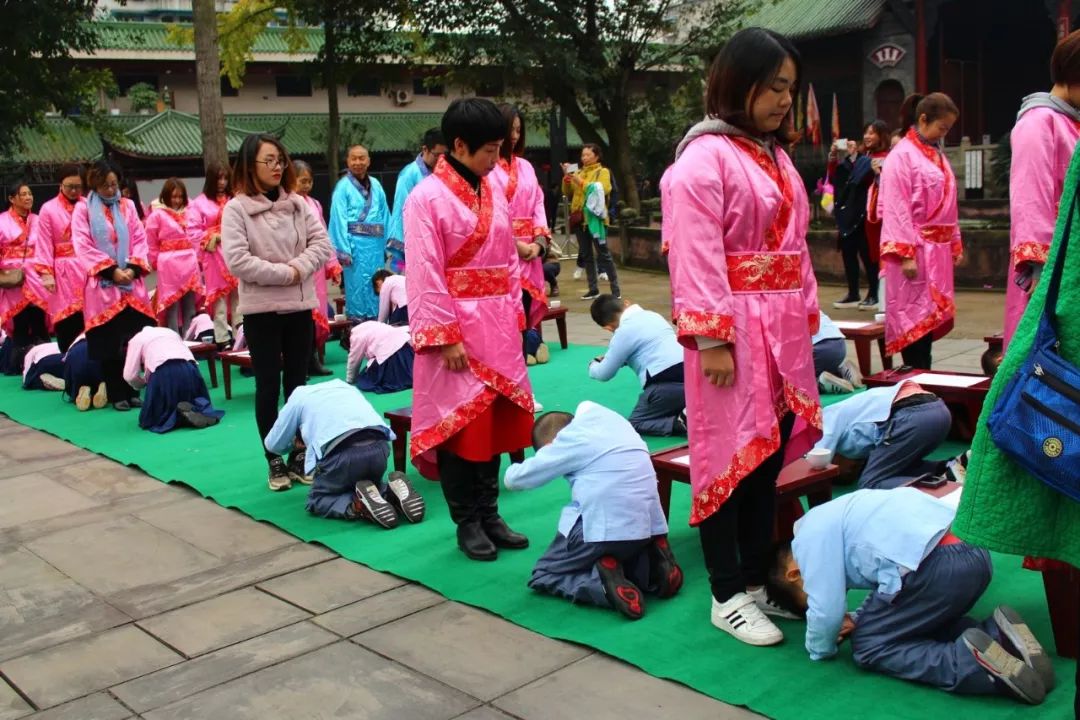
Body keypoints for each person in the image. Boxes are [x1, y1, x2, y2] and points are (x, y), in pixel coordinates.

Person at [661, 28, 822, 647]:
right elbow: (696, 257)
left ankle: (756, 583)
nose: (786, 99)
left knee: (766, 461)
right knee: (724, 457)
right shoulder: (701, 161)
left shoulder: (775, 157)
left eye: (791, 87)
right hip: (731, 331)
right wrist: (709, 340)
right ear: (739, 83)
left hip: (781, 329)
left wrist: (807, 317)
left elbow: (796, 249)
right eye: (775, 86)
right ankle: (725, 593)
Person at [768, 487, 1054, 705]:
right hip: (974, 554)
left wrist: (821, 647)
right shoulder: (842, 513)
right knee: (915, 620)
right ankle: (997, 636)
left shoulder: (807, 542)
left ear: (795, 575)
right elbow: (890, 589)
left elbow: (826, 611)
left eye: (808, 599)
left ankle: (973, 667)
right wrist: (859, 616)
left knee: (869, 644)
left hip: (937, 568)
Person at [405, 98, 533, 562]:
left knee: (494, 425)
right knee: (462, 427)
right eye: (489, 150)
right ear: (458, 145)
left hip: (497, 322)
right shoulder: (425, 198)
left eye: (501, 149)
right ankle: (467, 522)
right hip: (458, 330)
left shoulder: (492, 187)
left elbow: (507, 256)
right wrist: (445, 335)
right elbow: (423, 270)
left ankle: (490, 512)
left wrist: (516, 315)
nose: (496, 160)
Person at [221, 133, 333, 491]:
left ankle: (301, 454)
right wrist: (287, 273)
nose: (276, 167)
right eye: (268, 161)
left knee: (298, 385)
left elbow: (322, 244)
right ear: (249, 166)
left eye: (280, 160)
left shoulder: (298, 204)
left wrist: (298, 269)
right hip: (261, 310)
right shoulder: (237, 209)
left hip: (300, 307)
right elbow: (238, 260)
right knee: (268, 384)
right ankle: (274, 459)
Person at [504, 403, 681, 619]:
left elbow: (514, 480)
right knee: (620, 549)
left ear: (551, 445)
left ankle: (602, 588)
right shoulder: (615, 422)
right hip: (648, 528)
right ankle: (652, 570)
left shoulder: (569, 439)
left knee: (544, 573)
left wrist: (515, 464)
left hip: (606, 530)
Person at [1004, 30, 1080, 349]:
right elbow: (1029, 197)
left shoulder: (1071, 122)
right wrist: (1038, 267)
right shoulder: (1039, 122)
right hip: (1051, 267)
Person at [264, 379, 425, 526]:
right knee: (369, 485)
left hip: (341, 455)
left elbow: (272, 444)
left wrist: (294, 444)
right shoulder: (345, 386)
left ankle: (357, 505)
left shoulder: (298, 397)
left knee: (317, 499)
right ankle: (390, 492)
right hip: (379, 448)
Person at [880, 93, 962, 370]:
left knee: (927, 322)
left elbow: (950, 201)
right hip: (915, 249)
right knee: (913, 319)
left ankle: (924, 377)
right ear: (923, 119)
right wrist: (904, 253)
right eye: (942, 127)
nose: (944, 134)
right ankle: (916, 378)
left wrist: (954, 241)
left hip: (936, 250)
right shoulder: (901, 155)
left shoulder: (936, 154)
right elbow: (896, 207)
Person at [70, 160, 156, 410]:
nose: (110, 190)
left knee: (134, 339)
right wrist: (111, 271)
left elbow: (140, 238)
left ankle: (133, 390)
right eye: (105, 185)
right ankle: (117, 393)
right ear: (94, 185)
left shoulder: (128, 206)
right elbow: (82, 245)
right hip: (103, 285)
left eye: (113, 184)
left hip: (131, 283)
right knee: (110, 343)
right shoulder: (83, 209)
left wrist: (132, 267)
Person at [813, 381, 961, 489]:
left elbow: (816, 460)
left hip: (911, 416)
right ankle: (952, 465)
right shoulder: (859, 421)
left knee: (870, 484)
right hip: (939, 410)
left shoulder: (827, 417)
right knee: (897, 469)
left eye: (844, 471)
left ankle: (941, 488)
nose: (853, 468)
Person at [490, 104, 551, 360]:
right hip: (503, 252)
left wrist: (538, 244)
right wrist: (515, 245)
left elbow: (538, 202)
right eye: (509, 130)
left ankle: (527, 349)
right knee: (504, 310)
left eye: (518, 130)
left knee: (525, 307)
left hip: (530, 252)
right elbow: (490, 210)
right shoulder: (488, 167)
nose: (514, 136)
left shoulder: (526, 166)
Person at [587, 294, 686, 436]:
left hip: (664, 386)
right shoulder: (653, 315)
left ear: (608, 328)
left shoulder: (622, 332)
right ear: (626, 303)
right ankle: (688, 410)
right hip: (692, 381)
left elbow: (604, 373)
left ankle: (681, 423)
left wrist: (593, 364)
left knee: (636, 422)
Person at [829, 121, 889, 310]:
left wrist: (877, 171)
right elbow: (844, 178)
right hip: (851, 212)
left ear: (882, 136)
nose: (867, 136)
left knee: (868, 253)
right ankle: (853, 292)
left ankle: (874, 293)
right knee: (848, 251)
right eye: (866, 132)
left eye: (872, 133)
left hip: (870, 213)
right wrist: (838, 157)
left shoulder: (887, 157)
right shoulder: (865, 157)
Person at [123, 326, 223, 432]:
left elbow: (129, 375)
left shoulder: (136, 339)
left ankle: (179, 417)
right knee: (193, 399)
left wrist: (142, 384)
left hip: (163, 372)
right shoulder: (170, 332)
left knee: (149, 419)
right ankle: (197, 410)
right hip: (190, 368)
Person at [329, 145, 390, 320]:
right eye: (354, 158)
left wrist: (388, 244)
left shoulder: (376, 184)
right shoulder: (342, 187)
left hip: (376, 247)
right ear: (347, 161)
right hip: (355, 247)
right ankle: (358, 328)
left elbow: (385, 214)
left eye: (362, 158)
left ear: (368, 160)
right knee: (357, 288)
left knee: (377, 284)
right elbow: (338, 219)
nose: (358, 162)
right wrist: (343, 249)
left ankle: (379, 322)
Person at [29, 164, 86, 352]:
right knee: (66, 320)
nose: (74, 191)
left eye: (78, 186)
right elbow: (44, 243)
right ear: (60, 184)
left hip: (87, 268)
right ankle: (68, 365)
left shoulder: (88, 205)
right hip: (63, 273)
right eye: (69, 186)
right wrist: (46, 274)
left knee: (90, 319)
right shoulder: (48, 209)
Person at [294, 159, 341, 376]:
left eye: (309, 181)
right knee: (299, 317)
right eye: (302, 181)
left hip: (316, 269)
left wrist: (332, 264)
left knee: (315, 315)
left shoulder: (315, 204)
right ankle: (299, 362)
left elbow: (324, 236)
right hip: (298, 266)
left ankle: (312, 358)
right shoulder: (288, 204)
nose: (306, 186)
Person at [188, 162, 240, 348]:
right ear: (211, 179)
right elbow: (193, 232)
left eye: (226, 178)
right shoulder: (198, 203)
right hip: (213, 255)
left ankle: (240, 335)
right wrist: (215, 236)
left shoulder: (235, 200)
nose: (222, 182)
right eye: (219, 178)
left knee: (238, 297)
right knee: (218, 299)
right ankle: (222, 338)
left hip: (234, 251)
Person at [0, 181, 50, 375]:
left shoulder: (38, 220)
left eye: (30, 193)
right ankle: (17, 364)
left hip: (37, 273)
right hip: (15, 276)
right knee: (20, 321)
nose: (28, 197)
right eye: (23, 194)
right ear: (12, 199)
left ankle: (44, 359)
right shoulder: (2, 221)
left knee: (38, 318)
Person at [145, 178, 203, 336]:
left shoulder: (191, 212)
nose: (177, 200)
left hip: (189, 261)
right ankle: (173, 338)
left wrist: (199, 256)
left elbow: (197, 235)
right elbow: (151, 241)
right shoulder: (156, 215)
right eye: (173, 196)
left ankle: (191, 338)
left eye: (180, 196)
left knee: (189, 304)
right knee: (172, 303)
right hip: (169, 263)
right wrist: (155, 260)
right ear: (166, 196)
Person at [385, 128, 447, 272]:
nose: (441, 160)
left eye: (445, 155)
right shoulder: (409, 174)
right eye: (437, 155)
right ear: (425, 149)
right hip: (416, 240)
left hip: (438, 239)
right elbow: (401, 210)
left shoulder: (444, 172)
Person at [562, 144, 619, 300]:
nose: (584, 158)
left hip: (595, 220)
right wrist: (567, 178)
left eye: (587, 155)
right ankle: (593, 289)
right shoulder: (578, 172)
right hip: (580, 219)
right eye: (582, 155)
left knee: (603, 254)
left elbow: (604, 189)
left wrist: (579, 180)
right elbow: (567, 192)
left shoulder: (603, 172)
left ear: (596, 156)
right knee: (587, 255)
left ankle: (616, 290)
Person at [345, 320, 413, 394]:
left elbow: (354, 359)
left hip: (390, 356)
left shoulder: (356, 336)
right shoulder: (370, 323)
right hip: (406, 346)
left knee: (365, 379)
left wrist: (350, 379)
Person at [812, 312, 860, 394]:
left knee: (791, 382)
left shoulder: (784, 306)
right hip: (839, 345)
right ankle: (842, 370)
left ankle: (821, 382)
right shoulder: (807, 300)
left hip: (817, 349)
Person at [61, 333, 106, 411]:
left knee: (76, 386)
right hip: (98, 373)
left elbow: (67, 373)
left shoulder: (72, 348)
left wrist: (70, 391)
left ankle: (81, 392)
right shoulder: (103, 339)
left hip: (79, 376)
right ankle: (102, 388)